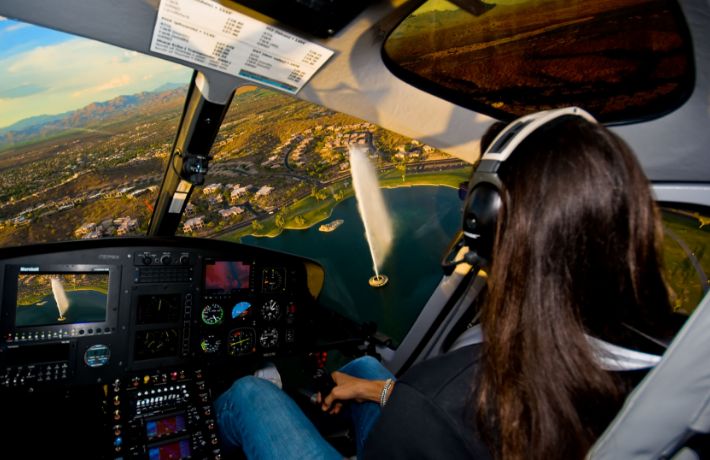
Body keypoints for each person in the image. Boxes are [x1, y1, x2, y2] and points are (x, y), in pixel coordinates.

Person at [215, 108, 674, 460]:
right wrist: (380, 392)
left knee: (251, 395)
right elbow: (479, 421)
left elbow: (448, 414)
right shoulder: (670, 354)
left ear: (486, 224)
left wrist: (414, 408)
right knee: (364, 371)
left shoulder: (446, 392)